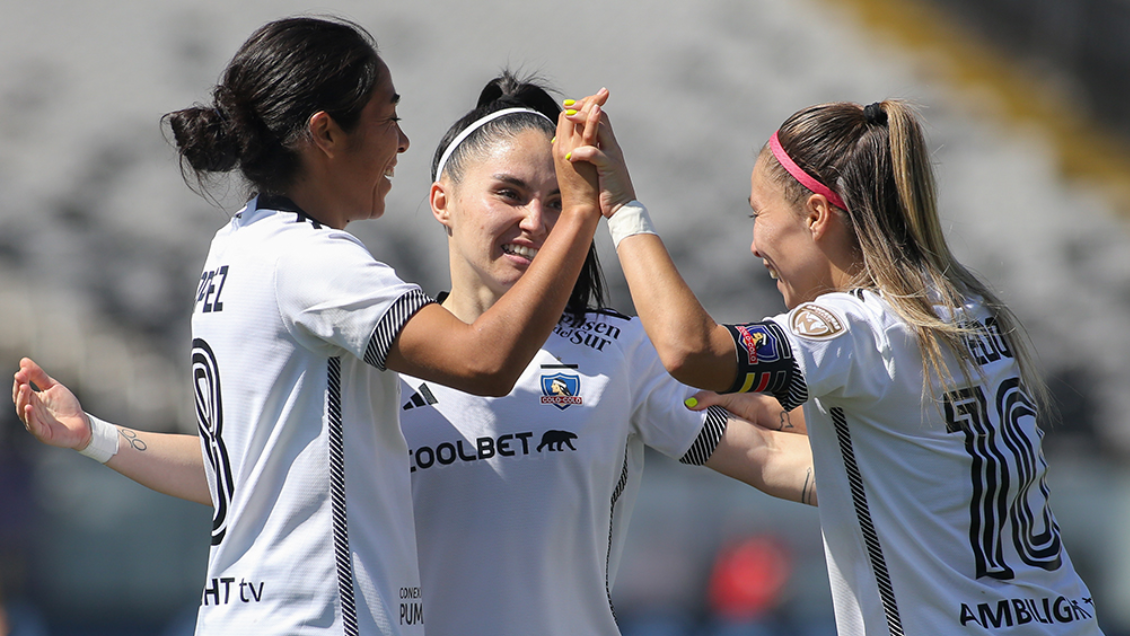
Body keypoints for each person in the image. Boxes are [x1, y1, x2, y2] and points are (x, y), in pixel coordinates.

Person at [14, 71, 816, 636]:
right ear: (441, 202)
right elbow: (246, 469)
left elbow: (770, 461)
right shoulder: (383, 346)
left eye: (554, 198)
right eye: (509, 195)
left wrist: (907, 457)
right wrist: (99, 437)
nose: (537, 220)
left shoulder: (618, 350)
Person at [14, 16, 606, 636]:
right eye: (388, 118)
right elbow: (485, 360)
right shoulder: (313, 261)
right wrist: (579, 212)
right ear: (325, 132)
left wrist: (96, 437)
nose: (401, 143)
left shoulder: (235, 248)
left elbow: (244, 470)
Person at [556, 97, 1105, 634]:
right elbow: (881, 463)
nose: (753, 243)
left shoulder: (857, 325)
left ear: (815, 216)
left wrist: (622, 207)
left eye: (758, 214)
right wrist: (756, 412)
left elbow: (693, 351)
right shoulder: (966, 310)